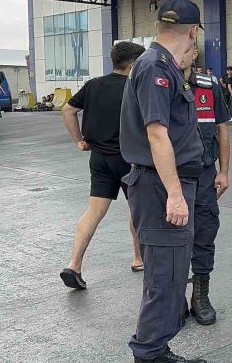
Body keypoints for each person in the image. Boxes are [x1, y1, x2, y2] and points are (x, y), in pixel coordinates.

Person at [119, 0, 206, 363]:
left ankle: (156, 347)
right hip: (160, 187)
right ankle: (150, 354)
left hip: (165, 183)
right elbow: (157, 135)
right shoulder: (156, 66)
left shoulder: (162, 65)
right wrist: (174, 194)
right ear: (191, 31)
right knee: (165, 279)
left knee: (168, 276)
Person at [59, 41, 146, 290]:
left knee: (94, 212)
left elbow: (67, 111)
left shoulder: (94, 84)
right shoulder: (135, 86)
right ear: (133, 64)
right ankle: (139, 258)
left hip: (99, 158)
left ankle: (74, 264)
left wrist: (79, 141)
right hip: (130, 160)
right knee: (138, 209)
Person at [182, 48, 231, 326]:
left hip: (204, 175)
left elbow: (222, 129)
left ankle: (200, 295)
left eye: (188, 49)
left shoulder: (208, 86)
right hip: (172, 177)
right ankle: (175, 297)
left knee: (204, 233)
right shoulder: (159, 84)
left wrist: (223, 170)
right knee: (173, 239)